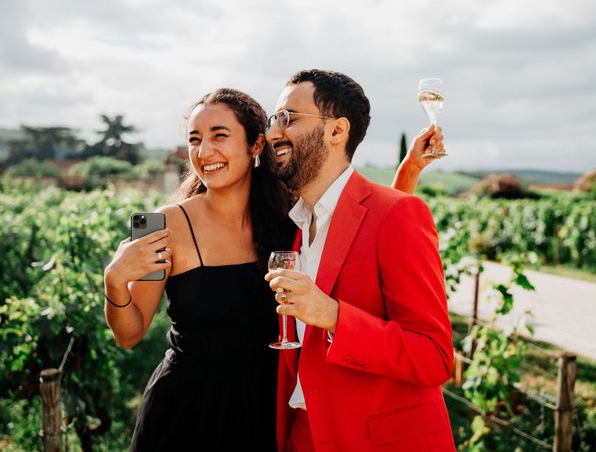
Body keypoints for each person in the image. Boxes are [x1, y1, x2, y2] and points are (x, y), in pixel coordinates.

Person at [104, 86, 443, 451]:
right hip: (185, 409)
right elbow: (129, 334)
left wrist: (408, 173)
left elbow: (358, 231)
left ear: (256, 147)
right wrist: (114, 282)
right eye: (194, 139)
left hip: (266, 411)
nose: (204, 152)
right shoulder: (165, 226)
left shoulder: (290, 219)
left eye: (219, 135)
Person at [264, 69, 455, 451]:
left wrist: (334, 315)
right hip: (303, 433)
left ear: (337, 132)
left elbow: (434, 358)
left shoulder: (399, 214)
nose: (273, 133)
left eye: (289, 118)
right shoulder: (301, 224)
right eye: (274, 120)